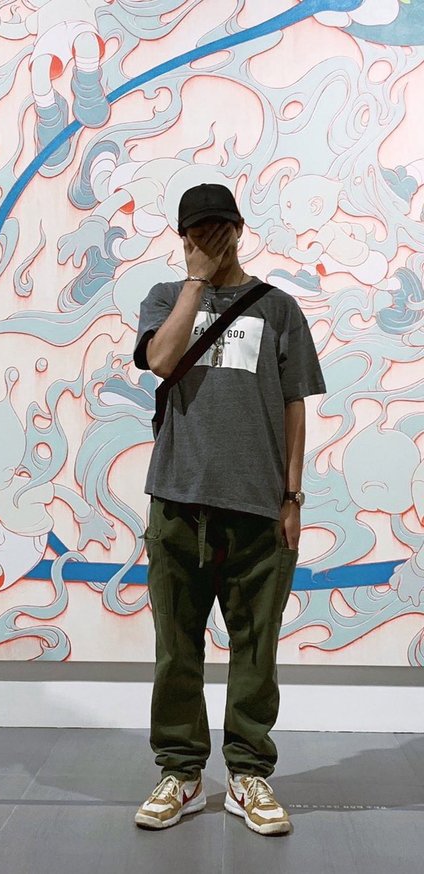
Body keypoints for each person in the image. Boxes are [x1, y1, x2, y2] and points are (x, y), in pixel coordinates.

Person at [132, 183, 326, 835]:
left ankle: (248, 774)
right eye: (197, 231)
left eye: (219, 228)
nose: (210, 240)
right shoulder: (165, 298)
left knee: (256, 649)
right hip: (177, 502)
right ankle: (182, 774)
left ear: (240, 228)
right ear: (182, 237)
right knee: (176, 649)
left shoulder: (279, 308)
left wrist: (292, 497)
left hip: (258, 506)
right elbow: (161, 361)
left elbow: (295, 405)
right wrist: (196, 281)